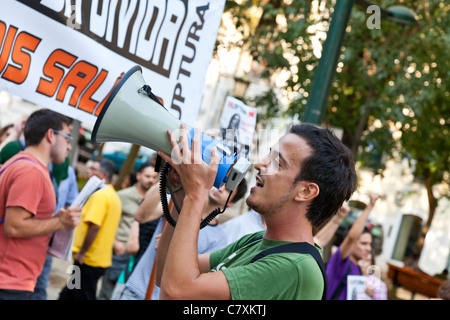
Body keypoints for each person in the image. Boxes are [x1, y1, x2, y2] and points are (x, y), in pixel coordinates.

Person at [155, 123, 358, 300]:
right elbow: (165, 272)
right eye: (269, 153)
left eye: (277, 162)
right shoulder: (256, 240)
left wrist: (196, 195)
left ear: (305, 191)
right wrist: (181, 197)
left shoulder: (294, 268)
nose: (261, 163)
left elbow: (176, 293)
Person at [118, 177, 248, 300]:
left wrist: (171, 246)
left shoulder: (219, 239)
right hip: (136, 289)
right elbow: (141, 216)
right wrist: (169, 177)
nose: (220, 189)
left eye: (227, 190)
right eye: (221, 184)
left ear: (230, 203)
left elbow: (200, 274)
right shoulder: (176, 203)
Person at [0, 109, 81, 300]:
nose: (69, 147)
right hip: (10, 281)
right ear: (51, 135)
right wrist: (60, 223)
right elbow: (15, 226)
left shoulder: (20, 163)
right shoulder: (32, 171)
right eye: (68, 139)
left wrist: (55, 220)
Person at [58, 158, 121, 300]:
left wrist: (82, 252)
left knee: (83, 295)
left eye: (93, 169)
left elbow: (95, 226)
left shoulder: (100, 195)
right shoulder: (113, 196)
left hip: (88, 259)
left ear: (104, 176)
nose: (88, 171)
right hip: (96, 259)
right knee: (70, 292)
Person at [98, 161, 158, 300]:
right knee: (107, 293)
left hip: (139, 257)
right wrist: (114, 242)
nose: (151, 180)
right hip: (119, 253)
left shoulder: (156, 201)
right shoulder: (123, 196)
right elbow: (105, 223)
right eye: (147, 176)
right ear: (138, 176)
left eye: (154, 178)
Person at [32, 160, 79, 300]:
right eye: (67, 140)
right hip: (28, 235)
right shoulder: (34, 166)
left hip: (49, 237)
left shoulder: (68, 172)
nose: (68, 147)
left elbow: (72, 202)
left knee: (40, 285)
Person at [325, 192, 381, 300]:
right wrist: (370, 206)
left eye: (370, 244)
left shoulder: (360, 269)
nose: (368, 249)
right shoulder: (341, 261)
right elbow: (352, 237)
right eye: (364, 243)